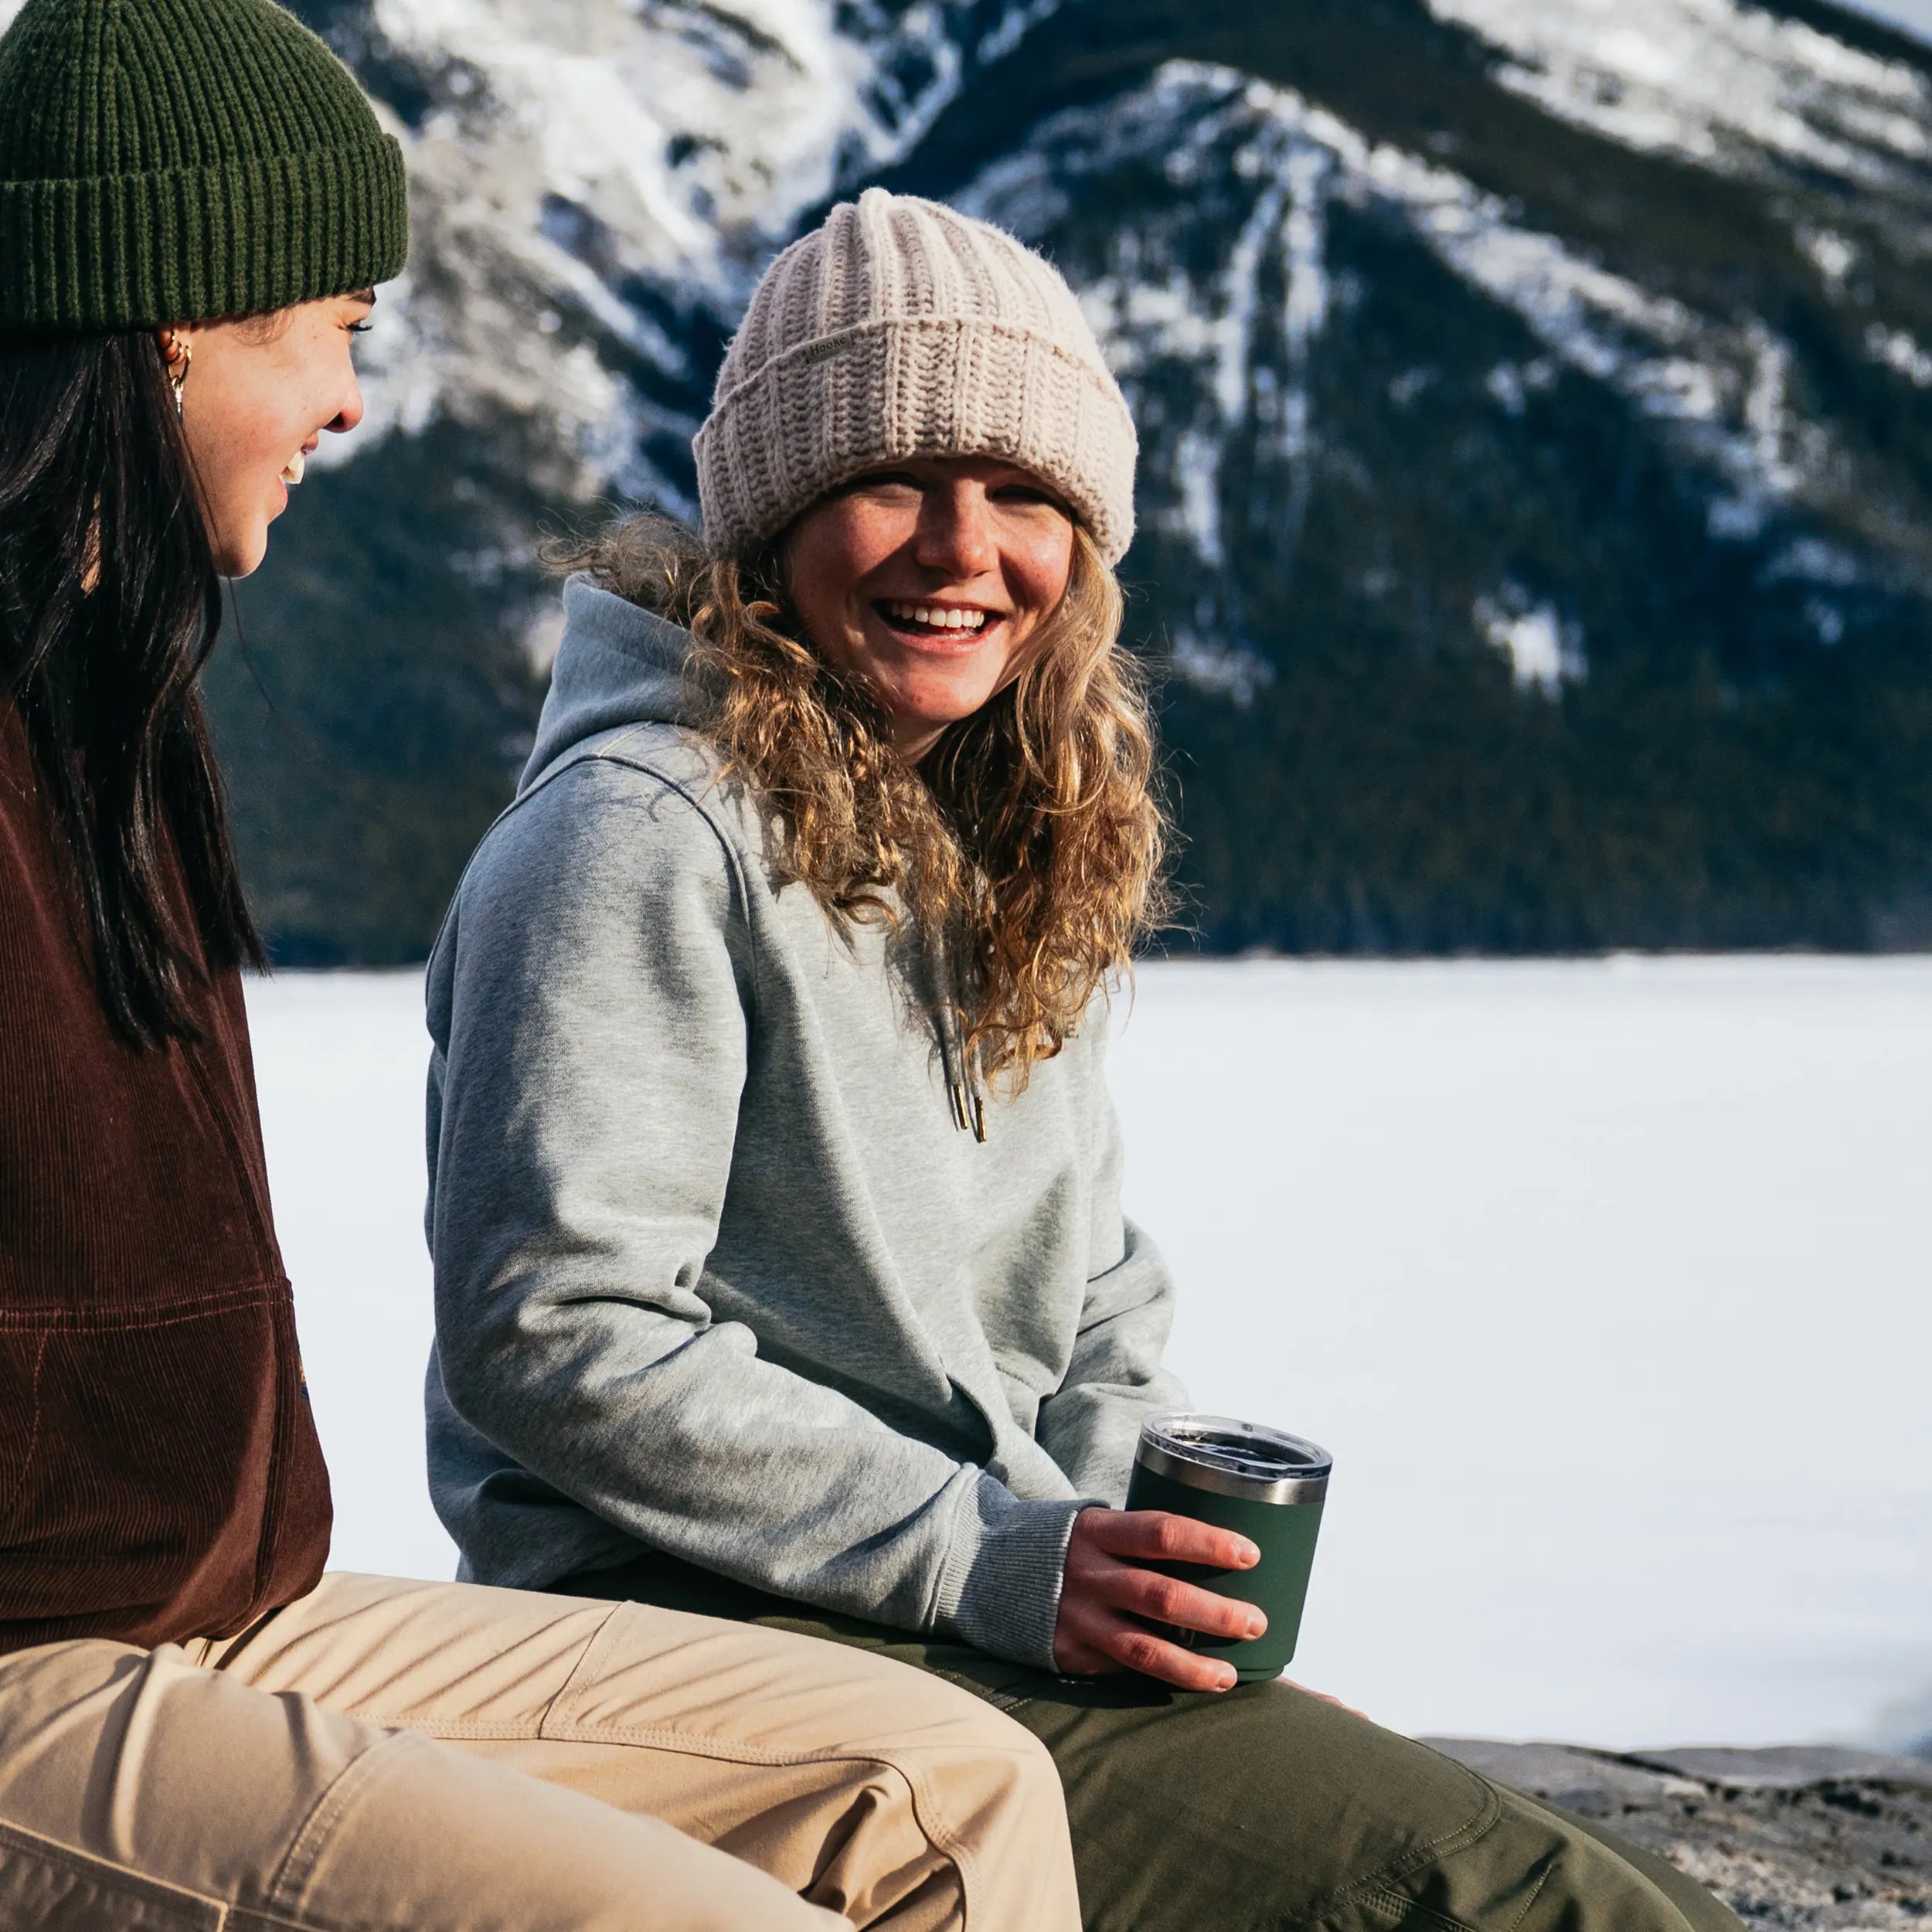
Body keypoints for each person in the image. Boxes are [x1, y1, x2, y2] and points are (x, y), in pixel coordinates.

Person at [423, 187, 1747, 1931]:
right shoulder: (636, 837)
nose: (965, 550)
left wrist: (1159, 1606)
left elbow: (1093, 1297)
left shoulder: (977, 845)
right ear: (771, 513)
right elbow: (559, 1334)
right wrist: (995, 1561)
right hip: (703, 1647)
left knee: (1580, 1882)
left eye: (1027, 494)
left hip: (950, 1612)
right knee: (1516, 1904)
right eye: (893, 476)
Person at [0, 9, 1083, 1928]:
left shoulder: (110, 716)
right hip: (28, 1664)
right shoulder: (625, 834)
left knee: (950, 1787)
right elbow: (557, 1325)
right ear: (175, 316)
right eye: (327, 324)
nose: (350, 401)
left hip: (211, 1607)